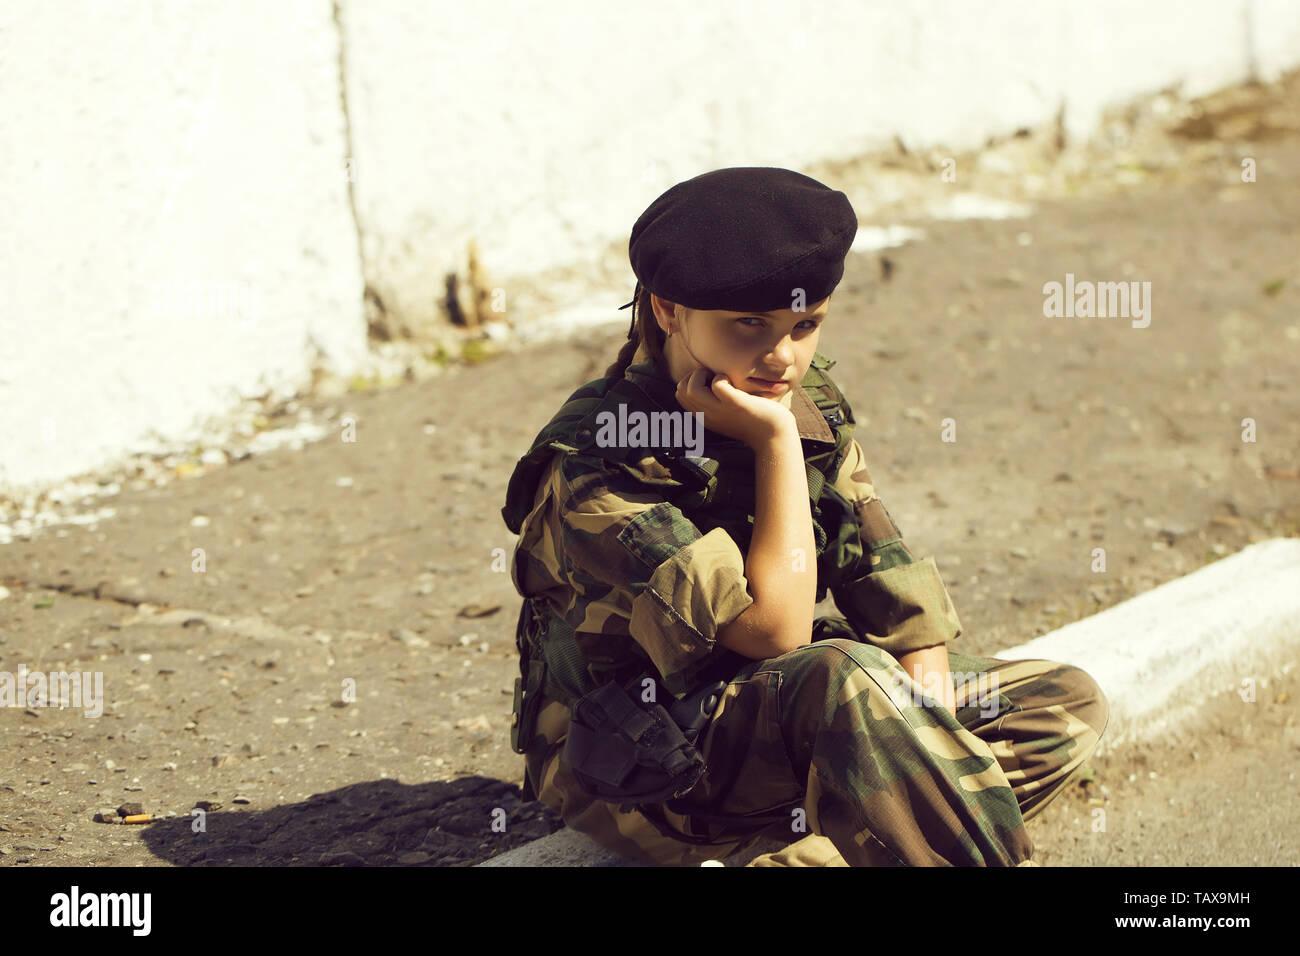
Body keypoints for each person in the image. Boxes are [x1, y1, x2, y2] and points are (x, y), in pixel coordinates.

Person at [500, 166, 1108, 866]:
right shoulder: (600, 460)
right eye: (750, 326)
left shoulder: (796, 394)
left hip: (769, 714)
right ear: (668, 310)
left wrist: (922, 714)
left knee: (1058, 705)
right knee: (844, 675)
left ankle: (815, 848)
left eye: (806, 325)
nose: (782, 357)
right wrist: (774, 443)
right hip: (637, 759)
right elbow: (775, 631)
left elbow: (883, 571)